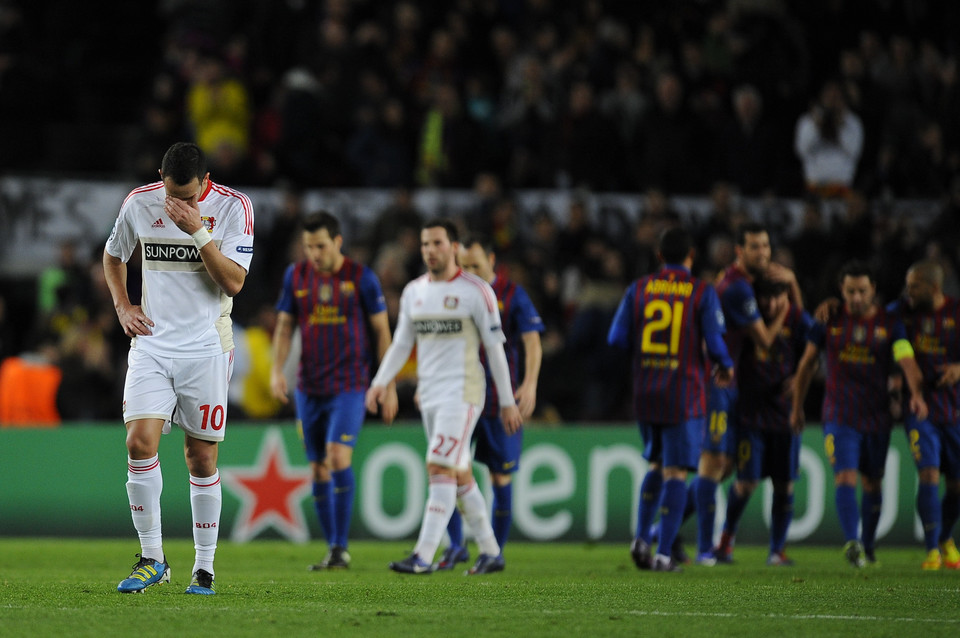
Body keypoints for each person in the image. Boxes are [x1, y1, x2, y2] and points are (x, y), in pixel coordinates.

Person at [103, 142, 255, 595]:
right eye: (174, 197)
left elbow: (234, 281)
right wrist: (123, 306)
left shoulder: (234, 208)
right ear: (161, 179)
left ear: (205, 184)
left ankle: (203, 567)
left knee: (201, 457)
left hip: (206, 347)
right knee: (138, 442)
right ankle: (153, 558)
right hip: (151, 345)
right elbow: (113, 256)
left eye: (190, 199)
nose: (180, 206)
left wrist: (198, 232)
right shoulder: (138, 202)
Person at [365, 218, 523, 575]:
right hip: (431, 393)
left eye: (437, 243)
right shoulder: (414, 291)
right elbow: (403, 342)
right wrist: (380, 382)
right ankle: (490, 551)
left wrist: (509, 400)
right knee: (460, 473)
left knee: (438, 465)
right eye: (424, 244)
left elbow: (496, 349)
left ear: (453, 247)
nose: (430, 251)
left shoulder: (476, 290)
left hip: (464, 391)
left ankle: (422, 555)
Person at [270, 211, 398, 570]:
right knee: (318, 470)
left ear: (338, 242)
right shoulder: (296, 276)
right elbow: (284, 327)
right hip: (308, 387)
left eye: (321, 246)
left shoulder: (361, 278)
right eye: (309, 246)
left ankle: (341, 545)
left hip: (350, 385)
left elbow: (382, 332)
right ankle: (334, 550)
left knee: (338, 457)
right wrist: (276, 371)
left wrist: (385, 382)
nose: (314, 253)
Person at [607, 226, 734, 572]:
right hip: (684, 392)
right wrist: (726, 365)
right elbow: (716, 341)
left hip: (646, 390)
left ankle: (639, 538)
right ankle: (663, 553)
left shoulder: (639, 288)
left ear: (659, 256)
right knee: (677, 472)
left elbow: (616, 338)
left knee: (655, 464)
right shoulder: (700, 292)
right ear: (691, 256)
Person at [790, 260, 927, 567]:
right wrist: (797, 406)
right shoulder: (829, 320)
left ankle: (867, 544)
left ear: (873, 291)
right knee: (845, 476)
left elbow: (906, 360)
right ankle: (853, 543)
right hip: (839, 415)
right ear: (841, 290)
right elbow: (806, 365)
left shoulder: (890, 324)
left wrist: (915, 393)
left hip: (876, 416)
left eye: (861, 291)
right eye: (850, 291)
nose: (855, 298)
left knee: (872, 484)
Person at [434, 236, 544, 571]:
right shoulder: (452, 293)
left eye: (475, 266)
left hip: (498, 401)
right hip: (459, 395)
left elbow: (531, 342)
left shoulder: (512, 295)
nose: (469, 273)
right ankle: (456, 546)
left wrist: (529, 384)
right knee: (447, 470)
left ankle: (492, 552)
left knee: (501, 478)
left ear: (492, 260)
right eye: (463, 266)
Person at [696, 222, 802, 565]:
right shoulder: (739, 290)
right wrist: (787, 305)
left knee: (723, 467)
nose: (763, 253)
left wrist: (793, 286)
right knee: (714, 465)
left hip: (728, 382)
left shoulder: (739, 283)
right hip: (719, 381)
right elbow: (766, 340)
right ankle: (704, 548)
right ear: (739, 251)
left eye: (766, 246)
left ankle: (664, 534)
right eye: (755, 247)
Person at [713, 277, 813, 566]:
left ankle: (776, 550)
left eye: (777, 297)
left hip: (785, 415)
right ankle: (725, 542)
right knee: (746, 483)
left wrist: (800, 378)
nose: (770, 304)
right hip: (751, 414)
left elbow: (818, 351)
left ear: (786, 296)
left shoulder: (797, 319)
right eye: (765, 299)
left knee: (784, 485)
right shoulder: (749, 319)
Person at [885, 261, 960, 570]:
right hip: (921, 409)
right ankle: (931, 550)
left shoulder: (956, 313)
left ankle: (944, 538)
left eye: (915, 285)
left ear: (934, 288)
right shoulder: (900, 312)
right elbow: (904, 355)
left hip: (954, 409)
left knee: (957, 485)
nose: (908, 291)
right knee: (928, 473)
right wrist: (915, 394)